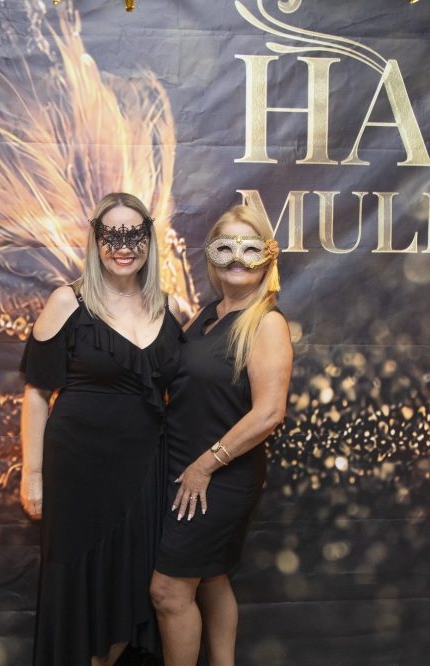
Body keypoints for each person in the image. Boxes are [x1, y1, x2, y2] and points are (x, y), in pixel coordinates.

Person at [19, 192, 184, 666]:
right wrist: (32, 473)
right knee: (80, 592)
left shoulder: (171, 308)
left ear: (149, 240)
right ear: (95, 240)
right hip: (78, 473)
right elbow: (36, 392)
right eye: (112, 235)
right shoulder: (67, 301)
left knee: (132, 588)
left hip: (145, 472)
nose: (123, 247)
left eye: (134, 235)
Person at [150, 205, 293, 666]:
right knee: (210, 579)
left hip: (218, 475)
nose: (237, 258)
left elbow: (269, 413)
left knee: (169, 590)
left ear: (267, 257)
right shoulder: (206, 315)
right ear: (211, 254)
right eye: (225, 247)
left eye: (250, 248)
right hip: (181, 467)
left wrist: (204, 465)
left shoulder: (266, 322)